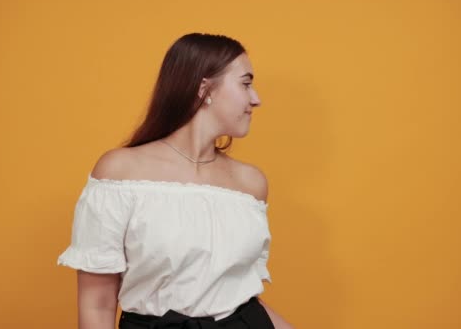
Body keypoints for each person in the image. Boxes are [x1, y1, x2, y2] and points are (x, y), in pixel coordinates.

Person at [57, 33, 294, 329]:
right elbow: (97, 305)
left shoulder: (250, 183)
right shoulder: (120, 173)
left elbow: (236, 296)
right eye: (245, 83)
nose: (256, 99)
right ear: (204, 88)